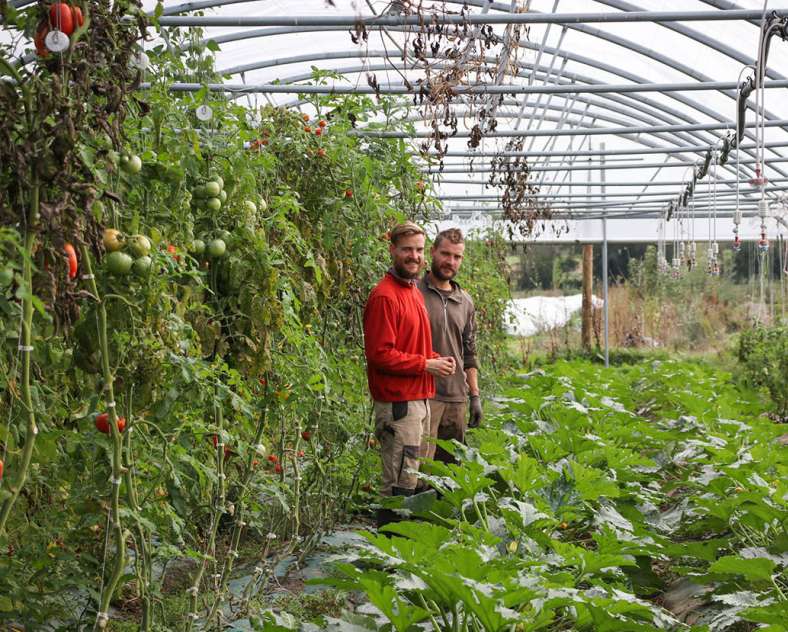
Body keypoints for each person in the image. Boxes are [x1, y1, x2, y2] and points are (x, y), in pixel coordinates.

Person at [363, 221, 456, 527]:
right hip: (399, 404)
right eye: (407, 250)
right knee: (398, 484)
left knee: (413, 478)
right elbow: (380, 355)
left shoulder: (412, 291)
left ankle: (404, 546)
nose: (414, 256)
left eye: (418, 250)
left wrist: (435, 360)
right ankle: (386, 549)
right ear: (392, 250)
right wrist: (425, 365)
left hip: (419, 399)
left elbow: (412, 347)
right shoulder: (385, 296)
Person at [418, 228, 481, 466]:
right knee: (421, 470)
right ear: (432, 252)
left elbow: (469, 351)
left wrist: (474, 396)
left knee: (451, 471)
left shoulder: (465, 301)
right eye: (445, 254)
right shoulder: (414, 292)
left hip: (456, 399)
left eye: (457, 257)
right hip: (423, 396)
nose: (450, 261)